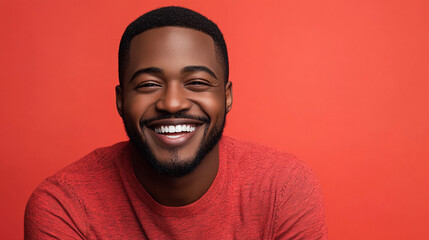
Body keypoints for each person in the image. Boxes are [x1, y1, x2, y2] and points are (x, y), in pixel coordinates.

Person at [25, 6, 328, 239]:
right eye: (148, 85)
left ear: (227, 97)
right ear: (121, 100)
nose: (172, 103)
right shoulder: (65, 205)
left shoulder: (282, 189)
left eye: (196, 82)